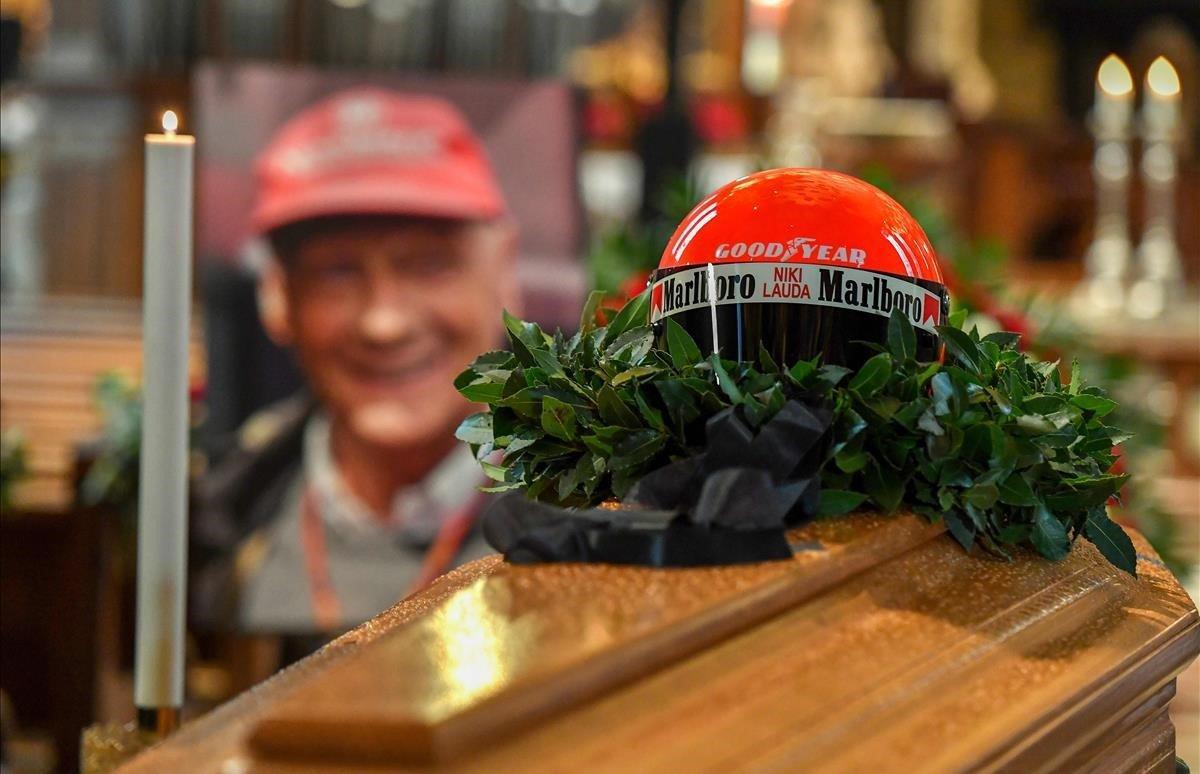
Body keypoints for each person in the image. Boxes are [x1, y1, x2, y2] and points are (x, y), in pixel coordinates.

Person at [191, 88, 519, 658]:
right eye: (337, 272)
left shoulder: (599, 524)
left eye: (429, 264)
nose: (384, 323)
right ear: (277, 295)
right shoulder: (215, 523)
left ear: (504, 271)